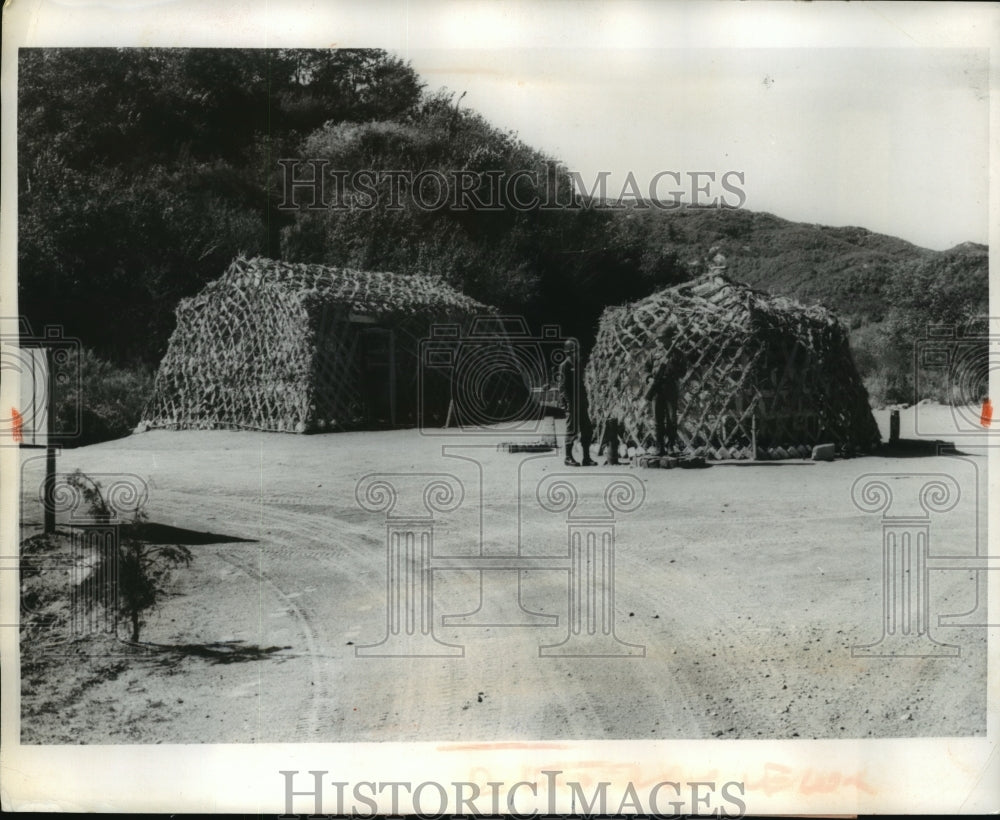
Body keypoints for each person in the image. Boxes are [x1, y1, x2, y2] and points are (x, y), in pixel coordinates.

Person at [557, 339, 596, 466]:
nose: (577, 354)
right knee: (571, 430)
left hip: (581, 402)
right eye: (574, 351)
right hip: (571, 403)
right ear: (569, 352)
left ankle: (586, 457)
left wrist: (585, 400)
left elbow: (581, 384)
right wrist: (568, 403)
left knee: (587, 429)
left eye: (577, 351)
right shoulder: (564, 365)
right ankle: (568, 457)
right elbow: (562, 387)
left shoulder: (578, 364)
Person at [644, 354, 683, 456]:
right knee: (658, 420)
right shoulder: (653, 353)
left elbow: (683, 370)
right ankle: (659, 447)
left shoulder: (676, 353)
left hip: (670, 387)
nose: (659, 340)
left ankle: (670, 446)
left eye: (662, 338)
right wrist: (649, 379)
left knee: (672, 420)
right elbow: (645, 369)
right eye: (658, 338)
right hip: (656, 388)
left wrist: (673, 371)